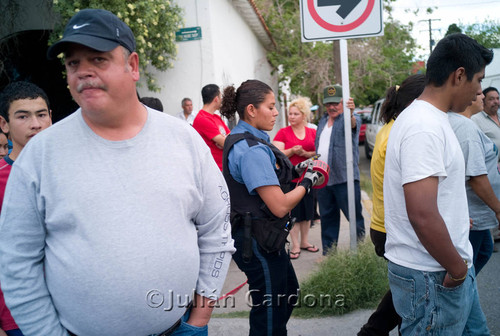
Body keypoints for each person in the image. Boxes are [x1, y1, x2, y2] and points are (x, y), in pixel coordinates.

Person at [0, 9, 234, 336]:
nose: (83, 72)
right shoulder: (40, 155)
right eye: (73, 63)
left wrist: (200, 317)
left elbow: (216, 229)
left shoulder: (183, 140)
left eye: (98, 60)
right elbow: (17, 262)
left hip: (179, 328)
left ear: (133, 66)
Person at [384, 33, 492, 335]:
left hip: (447, 267)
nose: (479, 91)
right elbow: (422, 213)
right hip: (434, 275)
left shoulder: (433, 119)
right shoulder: (424, 127)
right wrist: (457, 270)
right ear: (459, 75)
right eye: (478, 80)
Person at [220, 79, 321, 336]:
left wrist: (296, 171)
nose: (277, 113)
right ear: (251, 110)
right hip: (257, 239)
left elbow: (265, 178)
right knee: (271, 311)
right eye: (271, 107)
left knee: (287, 291)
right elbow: (279, 206)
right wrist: (309, 181)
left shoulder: (247, 139)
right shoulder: (251, 148)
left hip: (262, 236)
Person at [357, 74, 425, 336]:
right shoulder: (399, 133)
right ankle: (372, 331)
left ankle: (372, 331)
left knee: (406, 288)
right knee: (409, 290)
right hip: (393, 227)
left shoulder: (390, 128)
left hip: (385, 225)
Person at [0, 81, 53, 336]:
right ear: (4, 124)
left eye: (41, 115)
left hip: (76, 308)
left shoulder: (73, 173)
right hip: (17, 316)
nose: (36, 124)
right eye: (23, 116)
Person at [449, 91, 500, 274]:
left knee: (485, 250)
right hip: (472, 213)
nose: (482, 97)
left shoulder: (467, 124)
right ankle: (463, 297)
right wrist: (498, 209)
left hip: (477, 214)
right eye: (479, 93)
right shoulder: (466, 128)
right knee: (465, 269)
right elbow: (476, 178)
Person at [315, 84, 365, 254]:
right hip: (323, 179)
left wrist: (350, 113)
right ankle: (329, 254)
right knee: (327, 218)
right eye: (329, 104)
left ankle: (359, 251)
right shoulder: (322, 120)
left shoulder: (350, 118)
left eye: (336, 103)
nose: (332, 107)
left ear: (343, 103)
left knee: (354, 217)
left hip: (344, 178)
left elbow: (353, 124)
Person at [273, 96, 318, 259]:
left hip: (309, 178)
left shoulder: (313, 132)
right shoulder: (283, 132)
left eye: (295, 114)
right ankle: (295, 245)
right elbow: (276, 154)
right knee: (293, 213)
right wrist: (291, 151)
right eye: (290, 114)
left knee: (307, 212)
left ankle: (305, 241)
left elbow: (319, 152)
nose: (291, 117)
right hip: (290, 180)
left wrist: (307, 154)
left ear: (304, 116)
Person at [471, 87, 500, 244]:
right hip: (487, 172)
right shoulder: (475, 120)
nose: (495, 102)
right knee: (484, 248)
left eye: (497, 98)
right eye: (491, 98)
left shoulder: (499, 117)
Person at [193, 85, 230, 170]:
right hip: (213, 169)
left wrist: (225, 141)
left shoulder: (216, 118)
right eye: (220, 97)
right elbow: (227, 143)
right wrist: (225, 141)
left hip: (223, 167)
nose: (221, 100)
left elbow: (231, 138)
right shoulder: (202, 119)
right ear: (216, 99)